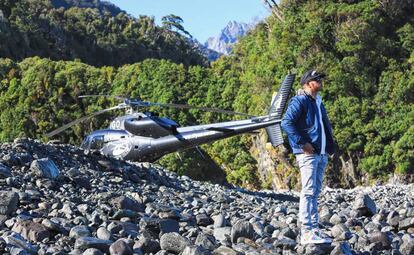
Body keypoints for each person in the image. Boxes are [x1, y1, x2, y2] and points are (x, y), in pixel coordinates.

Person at [281, 69, 335, 245]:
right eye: (317, 78)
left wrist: (329, 147)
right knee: (309, 191)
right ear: (308, 83)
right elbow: (286, 122)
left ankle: (314, 229)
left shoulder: (317, 102)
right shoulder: (300, 100)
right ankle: (306, 231)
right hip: (308, 154)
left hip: (320, 153)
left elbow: (323, 126)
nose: (320, 80)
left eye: (320, 77)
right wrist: (302, 143)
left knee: (315, 192)